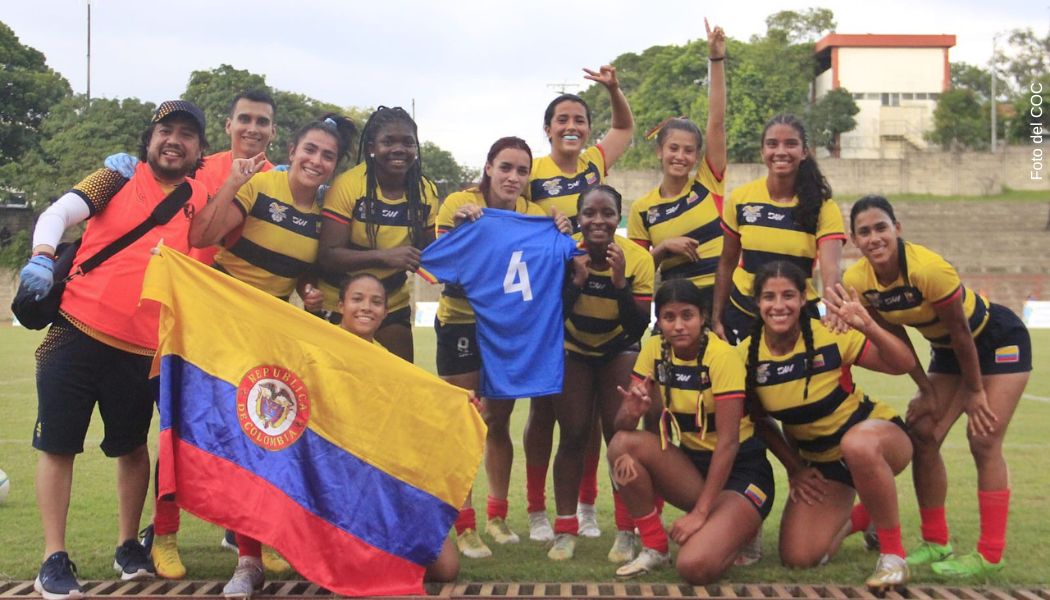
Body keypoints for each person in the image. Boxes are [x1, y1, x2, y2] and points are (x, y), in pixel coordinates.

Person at [22, 100, 211, 600]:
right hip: (75, 332)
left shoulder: (200, 197)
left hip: (143, 349)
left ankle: (129, 545)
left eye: (186, 134)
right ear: (149, 138)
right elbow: (58, 212)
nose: (174, 140)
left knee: (131, 448)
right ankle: (53, 558)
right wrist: (42, 256)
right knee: (59, 445)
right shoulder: (115, 177)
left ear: (199, 148)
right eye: (165, 130)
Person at [185, 114, 355, 599]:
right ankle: (198, 546)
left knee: (267, 442)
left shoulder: (321, 222)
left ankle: (256, 553)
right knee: (222, 441)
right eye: (310, 150)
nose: (317, 161)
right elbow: (201, 237)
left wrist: (309, 292)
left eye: (327, 156)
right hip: (220, 333)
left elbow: (300, 278)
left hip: (269, 341)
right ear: (294, 150)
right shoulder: (259, 186)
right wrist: (233, 184)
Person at [842, 195, 1032, 578]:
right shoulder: (858, 281)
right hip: (946, 350)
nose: (874, 237)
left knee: (983, 438)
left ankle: (991, 553)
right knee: (923, 433)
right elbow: (895, 339)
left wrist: (975, 392)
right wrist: (924, 388)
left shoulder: (928, 268)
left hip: (994, 339)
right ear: (854, 241)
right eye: (864, 232)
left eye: (881, 227)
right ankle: (936, 541)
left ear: (897, 229)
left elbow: (963, 332)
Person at [432, 137, 571, 559]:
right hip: (462, 321)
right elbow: (443, 262)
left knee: (498, 418)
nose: (513, 177)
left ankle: (496, 515)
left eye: (522, 170)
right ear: (488, 167)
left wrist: (561, 229)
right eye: (505, 167)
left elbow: (557, 257)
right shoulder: (460, 201)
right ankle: (464, 524)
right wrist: (461, 225)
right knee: (465, 420)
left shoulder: (534, 215)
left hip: (509, 328)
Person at [742, 261, 916, 592]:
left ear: (804, 298)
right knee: (798, 557)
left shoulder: (829, 335)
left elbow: (902, 364)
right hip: (824, 464)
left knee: (857, 445)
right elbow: (760, 420)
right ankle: (864, 517)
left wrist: (868, 326)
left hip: (878, 439)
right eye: (769, 297)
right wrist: (795, 468)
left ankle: (894, 556)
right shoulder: (747, 356)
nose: (779, 305)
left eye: (789, 295)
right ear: (757, 303)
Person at [524, 66, 635, 543]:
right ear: (547, 128)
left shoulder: (594, 164)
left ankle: (587, 509)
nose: (571, 125)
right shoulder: (531, 170)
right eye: (561, 119)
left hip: (593, 296)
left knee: (588, 420)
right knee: (546, 416)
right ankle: (536, 513)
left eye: (579, 119)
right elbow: (498, 197)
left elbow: (626, 129)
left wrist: (612, 88)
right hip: (549, 300)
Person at [606, 278, 774, 582]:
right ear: (660, 321)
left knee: (694, 567)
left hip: (740, 471)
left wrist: (699, 514)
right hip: (693, 468)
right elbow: (621, 426)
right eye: (669, 317)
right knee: (621, 445)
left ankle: (739, 523)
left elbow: (729, 443)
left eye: (687, 315)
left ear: (703, 317)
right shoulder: (654, 349)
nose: (679, 326)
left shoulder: (722, 357)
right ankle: (656, 547)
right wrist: (630, 414)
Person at [546, 184, 654, 561]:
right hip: (573, 349)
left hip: (618, 347)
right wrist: (574, 282)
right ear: (578, 218)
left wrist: (621, 282)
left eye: (607, 213)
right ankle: (564, 529)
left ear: (617, 218)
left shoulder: (637, 258)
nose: (598, 220)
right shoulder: (564, 251)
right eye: (589, 213)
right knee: (573, 434)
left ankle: (627, 530)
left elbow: (638, 327)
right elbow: (552, 316)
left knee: (619, 437)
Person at [335, 272, 460, 583]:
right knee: (359, 573)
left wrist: (459, 402)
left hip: (381, 480)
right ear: (340, 305)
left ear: (386, 313)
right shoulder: (320, 346)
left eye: (376, 302)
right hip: (335, 483)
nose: (366, 308)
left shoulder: (386, 360)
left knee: (446, 569)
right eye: (357, 299)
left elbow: (414, 412)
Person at [318, 106, 439, 362]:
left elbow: (430, 254)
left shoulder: (425, 191)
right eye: (388, 142)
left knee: (398, 384)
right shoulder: (349, 185)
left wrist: (462, 230)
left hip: (391, 301)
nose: (399, 149)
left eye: (408, 142)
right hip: (338, 301)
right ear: (372, 147)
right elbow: (328, 255)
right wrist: (385, 257)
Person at [712, 114, 845, 345]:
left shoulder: (823, 208)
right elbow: (727, 262)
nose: (781, 151)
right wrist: (716, 316)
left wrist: (833, 309)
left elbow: (831, 268)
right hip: (744, 313)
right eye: (772, 144)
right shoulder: (741, 199)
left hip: (797, 315)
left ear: (804, 152)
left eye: (791, 144)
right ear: (762, 152)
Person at [627, 19, 727, 311]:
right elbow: (638, 270)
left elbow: (717, 122)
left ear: (697, 157)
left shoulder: (709, 184)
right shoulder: (642, 210)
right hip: (676, 308)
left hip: (721, 302)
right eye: (673, 148)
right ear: (660, 151)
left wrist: (716, 58)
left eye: (688, 151)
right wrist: (664, 248)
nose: (680, 156)